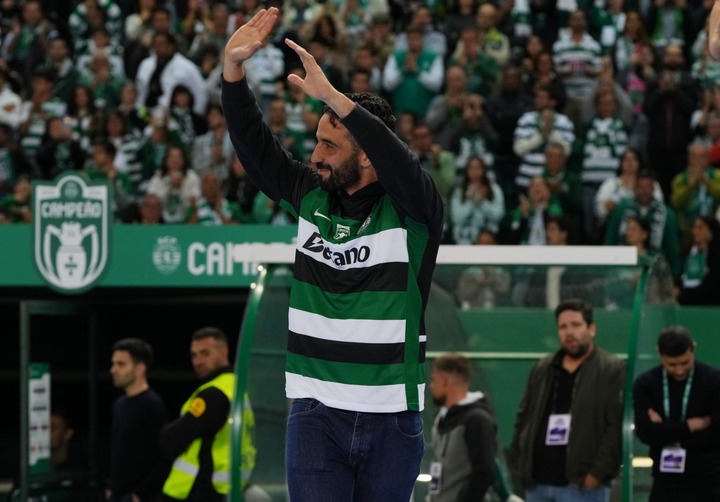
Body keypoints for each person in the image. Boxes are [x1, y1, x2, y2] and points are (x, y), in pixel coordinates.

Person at [221, 7, 444, 501]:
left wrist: (337, 100)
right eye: (317, 142)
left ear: (366, 153)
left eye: (330, 144)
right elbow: (256, 148)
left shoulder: (413, 213)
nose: (316, 155)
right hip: (315, 411)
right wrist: (233, 75)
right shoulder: (310, 196)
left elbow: (401, 165)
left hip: (392, 417)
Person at [509, 298, 626, 501]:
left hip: (582, 486)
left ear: (591, 329)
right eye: (563, 327)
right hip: (537, 484)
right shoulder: (542, 368)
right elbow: (524, 417)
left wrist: (597, 474)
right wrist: (520, 465)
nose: (569, 332)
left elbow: (615, 427)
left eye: (576, 325)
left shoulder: (611, 369)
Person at [160, 327, 266, 502]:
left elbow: (170, 439)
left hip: (198, 489)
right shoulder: (237, 387)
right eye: (194, 355)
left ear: (224, 352)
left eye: (205, 353)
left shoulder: (213, 394)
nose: (198, 361)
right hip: (229, 487)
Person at [632, 326, 720, 501]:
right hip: (665, 481)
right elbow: (645, 432)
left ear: (693, 350)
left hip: (708, 480)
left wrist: (666, 431)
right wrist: (689, 426)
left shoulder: (713, 380)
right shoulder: (646, 384)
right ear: (660, 354)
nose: (679, 370)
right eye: (672, 364)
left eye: (685, 363)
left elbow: (716, 433)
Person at [427, 353, 497, 502]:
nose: (431, 386)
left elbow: (485, 473)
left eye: (434, 380)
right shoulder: (441, 419)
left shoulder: (477, 420)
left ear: (445, 381)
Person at [109, 338, 169, 502]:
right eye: (113, 364)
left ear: (140, 368)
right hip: (119, 495)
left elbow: (163, 457)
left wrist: (140, 494)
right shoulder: (119, 404)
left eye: (121, 364)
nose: (113, 370)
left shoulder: (151, 404)